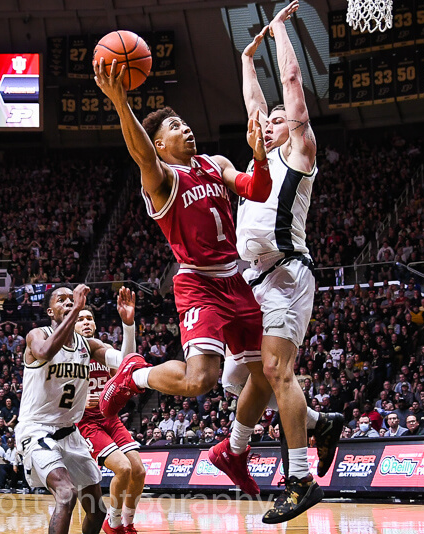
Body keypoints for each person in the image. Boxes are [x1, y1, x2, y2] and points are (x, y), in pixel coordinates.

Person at [93, 25, 272, 501]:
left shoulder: (213, 162)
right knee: (201, 381)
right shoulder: (162, 179)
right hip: (199, 285)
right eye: (172, 127)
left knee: (269, 376)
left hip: (237, 279)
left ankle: (235, 450)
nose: (184, 127)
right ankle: (132, 374)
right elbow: (139, 152)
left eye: (183, 122)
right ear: (160, 145)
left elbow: (256, 189)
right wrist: (120, 103)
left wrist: (259, 156)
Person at [220, 1, 337, 523]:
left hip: (289, 274)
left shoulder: (300, 152)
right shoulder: (258, 161)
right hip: (253, 281)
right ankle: (314, 425)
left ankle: (299, 478)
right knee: (247, 377)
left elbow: (291, 81)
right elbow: (254, 104)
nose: (268, 123)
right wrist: (247, 59)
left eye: (276, 119)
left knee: (274, 370)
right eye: (263, 121)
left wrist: (281, 32)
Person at [15, 283, 114, 534]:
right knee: (66, 493)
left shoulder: (87, 345)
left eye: (72, 299)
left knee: (96, 509)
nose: (69, 302)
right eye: (61, 300)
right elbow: (46, 353)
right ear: (50, 311)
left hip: (70, 433)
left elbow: (125, 361)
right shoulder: (37, 335)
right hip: (37, 430)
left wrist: (128, 324)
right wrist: (76, 310)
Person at [74, 291, 146, 534]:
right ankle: (112, 523)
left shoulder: (102, 350)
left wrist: (128, 324)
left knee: (138, 470)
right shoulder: (67, 355)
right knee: (123, 469)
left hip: (109, 418)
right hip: (85, 423)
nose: (86, 322)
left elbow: (128, 362)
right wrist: (80, 402)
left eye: (90, 319)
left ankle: (127, 523)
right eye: (81, 318)